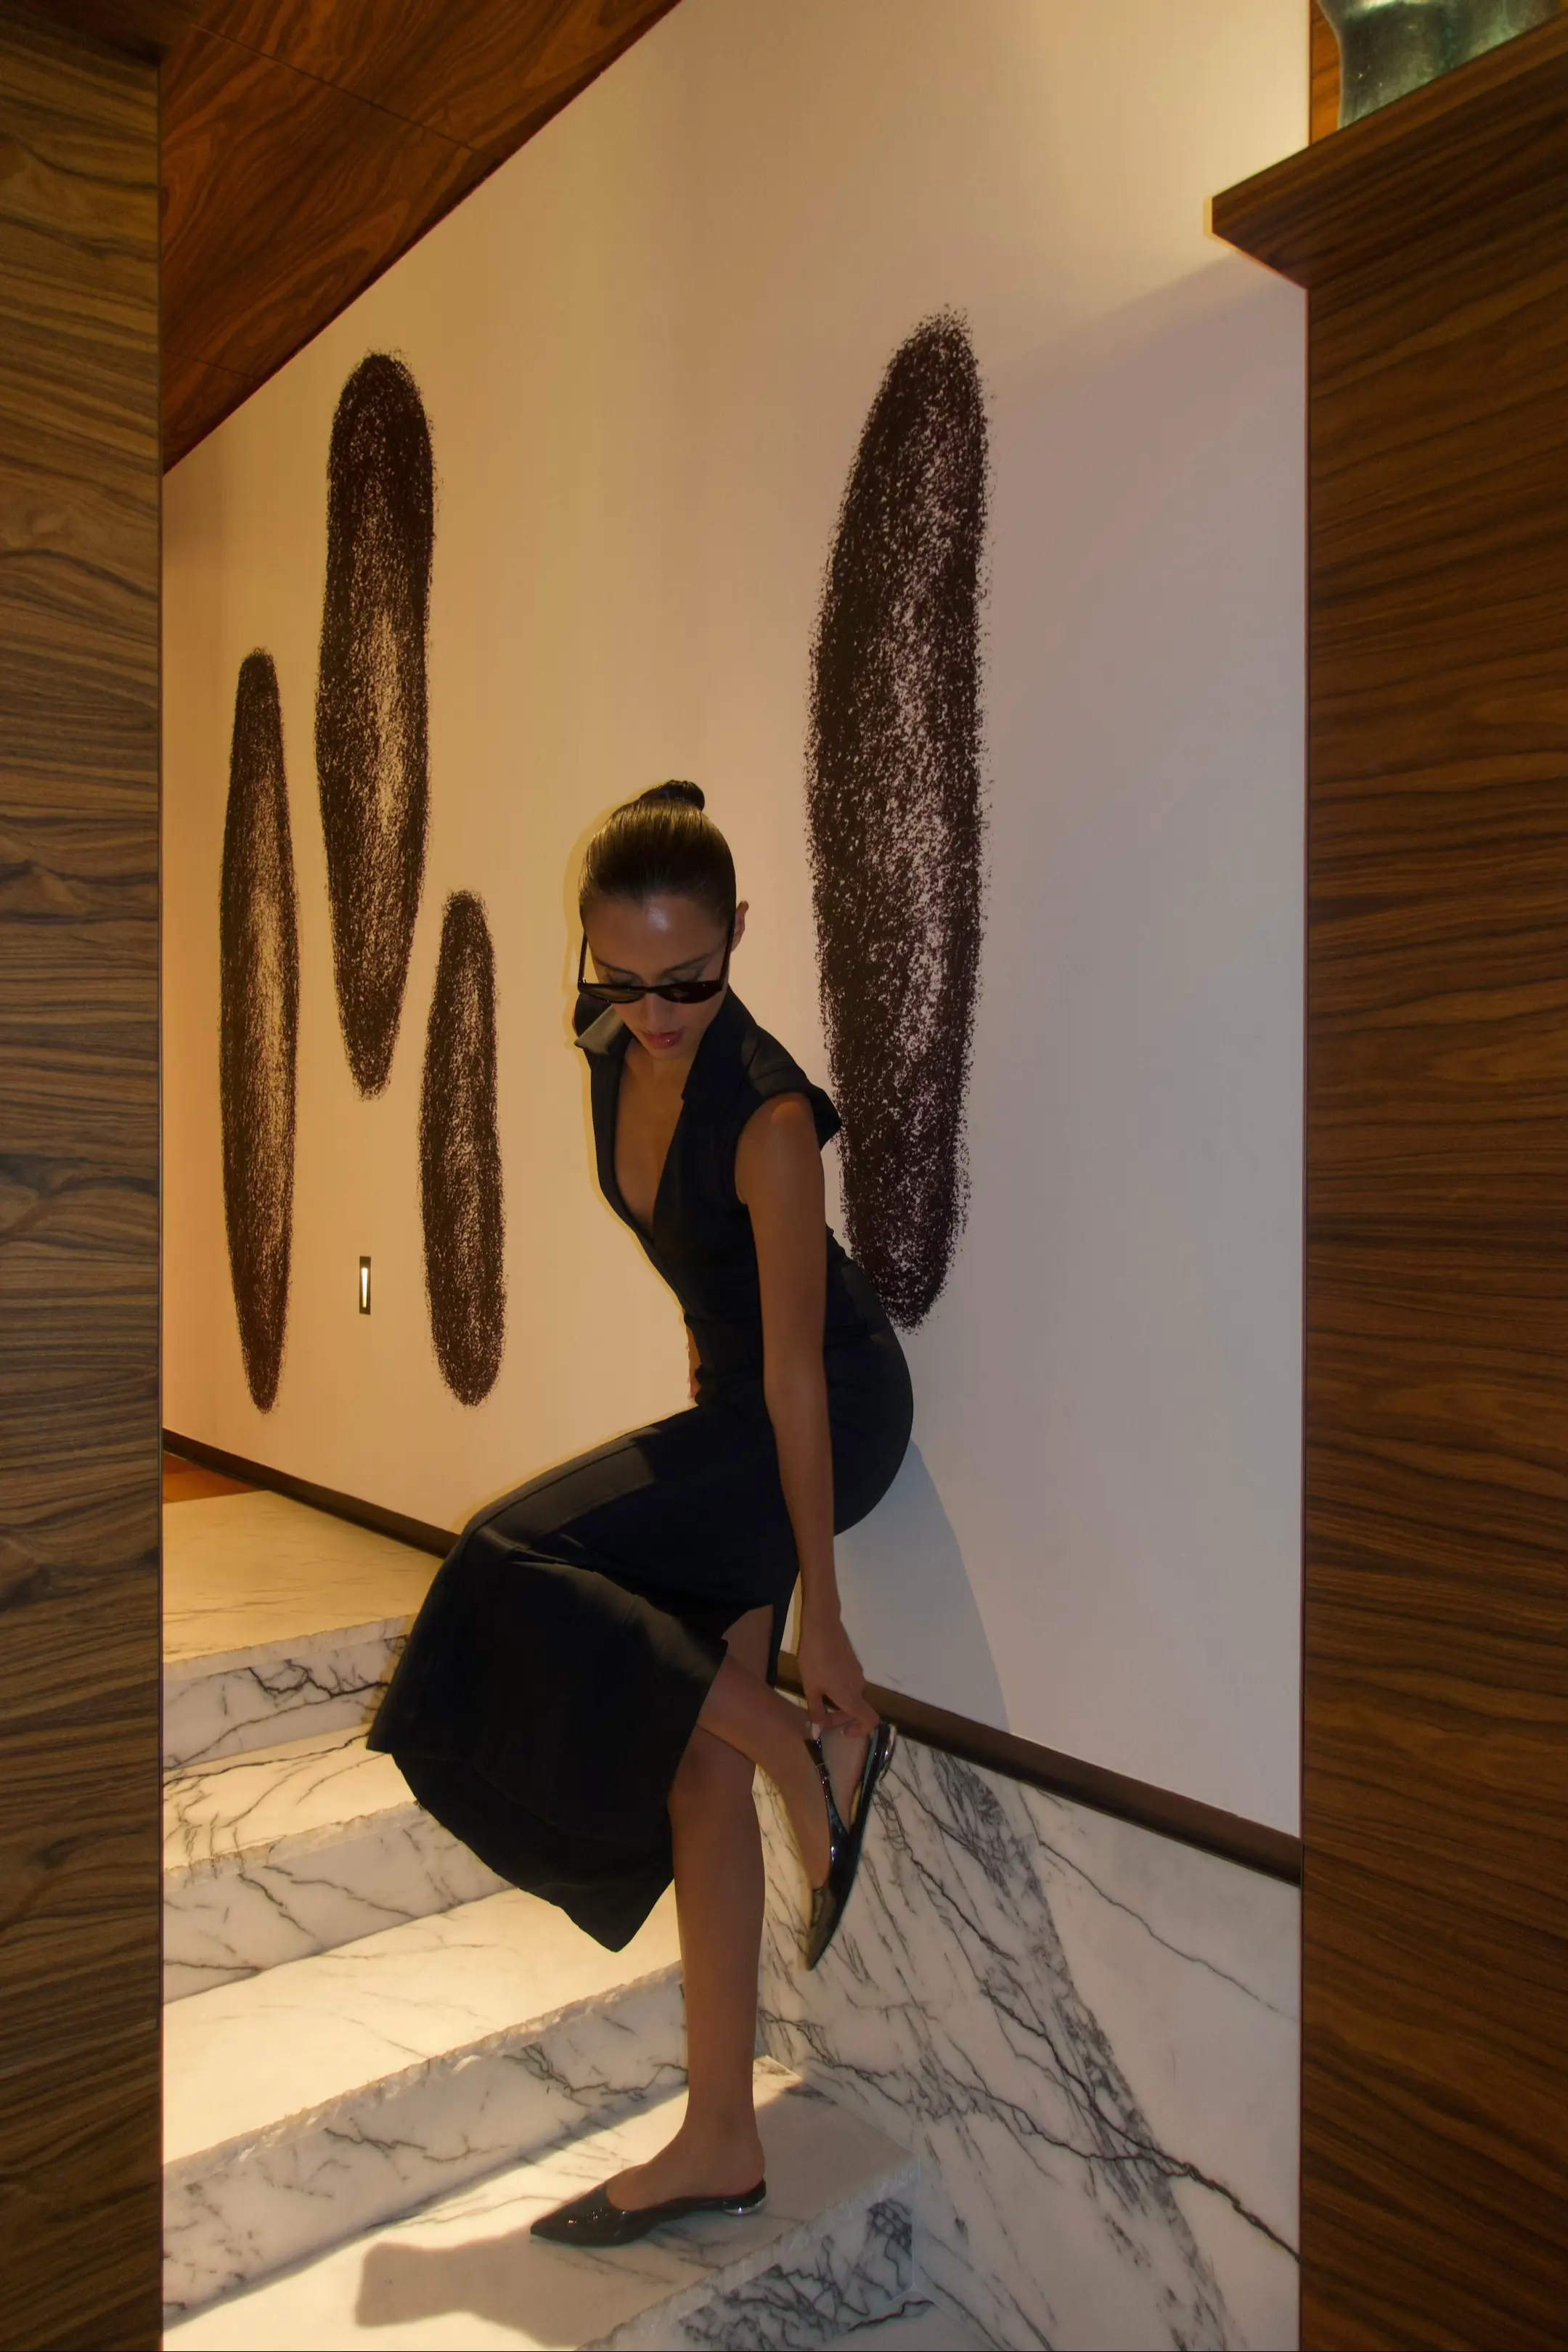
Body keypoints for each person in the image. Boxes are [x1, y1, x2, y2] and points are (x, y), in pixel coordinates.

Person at [368, 780, 912, 2249]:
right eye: (623, 979)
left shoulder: (773, 1116)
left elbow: (798, 1378)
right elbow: (703, 1290)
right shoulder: (611, 1040)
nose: (656, 1013)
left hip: (824, 1413)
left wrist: (822, 1627)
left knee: (509, 1553)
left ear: (739, 938)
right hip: (736, 1414)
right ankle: (722, 2138)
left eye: (690, 981)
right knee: (689, 1766)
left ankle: (805, 1747)